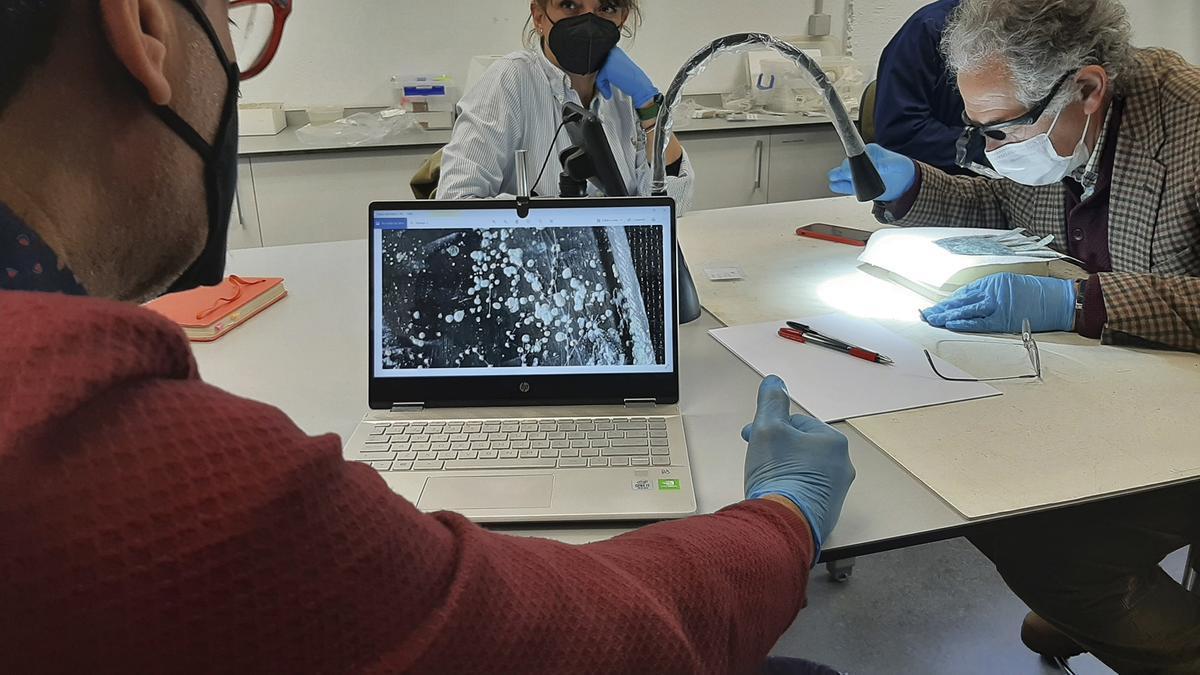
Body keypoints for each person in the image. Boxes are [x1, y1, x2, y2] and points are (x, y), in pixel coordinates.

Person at [0, 1, 855, 672]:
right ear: (144, 25)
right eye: (236, 22)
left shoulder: (636, 92)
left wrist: (660, 137)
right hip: (522, 308)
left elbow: (666, 207)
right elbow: (576, 637)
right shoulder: (136, 462)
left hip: (616, 312)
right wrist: (784, 513)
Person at [830, 0, 1200, 671]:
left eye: (1002, 131)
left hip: (1184, 422)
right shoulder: (1066, 130)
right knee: (987, 493)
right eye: (981, 133)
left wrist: (1080, 300)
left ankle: (1114, 608)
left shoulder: (1189, 123)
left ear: (1088, 87)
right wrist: (915, 186)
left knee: (1047, 549)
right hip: (1124, 389)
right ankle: (1106, 602)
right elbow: (1007, 202)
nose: (994, 154)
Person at [437, 0, 695, 211]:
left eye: (606, 8)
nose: (589, 23)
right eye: (570, 5)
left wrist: (650, 107)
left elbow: (674, 205)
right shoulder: (510, 80)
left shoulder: (628, 92)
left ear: (622, 18)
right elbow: (455, 203)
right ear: (539, 16)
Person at [874, 0, 986, 175]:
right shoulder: (930, 28)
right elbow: (901, 135)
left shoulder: (1034, 30)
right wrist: (989, 148)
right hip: (945, 181)